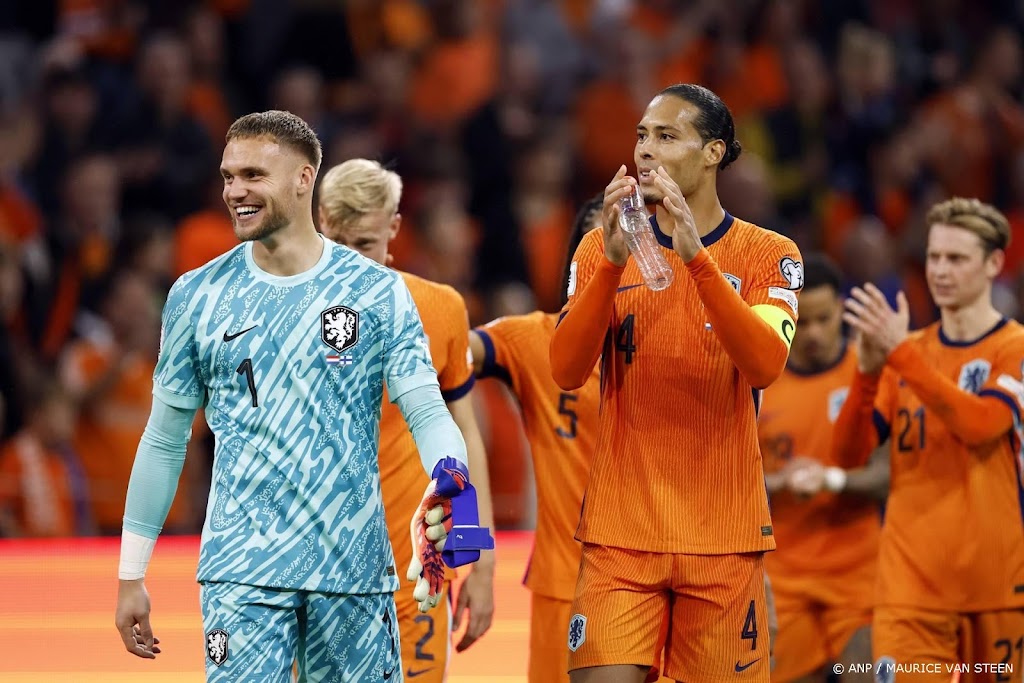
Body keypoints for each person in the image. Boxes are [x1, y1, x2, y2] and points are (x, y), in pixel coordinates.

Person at [113, 110, 480, 681]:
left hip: (352, 572)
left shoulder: (377, 291)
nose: (236, 190)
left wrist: (451, 481)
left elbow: (428, 410)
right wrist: (131, 574)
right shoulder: (196, 295)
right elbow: (164, 440)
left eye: (254, 175)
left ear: (305, 178)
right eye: (229, 175)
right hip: (242, 573)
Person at [550, 83, 803, 683]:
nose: (645, 150)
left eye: (666, 136)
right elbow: (565, 371)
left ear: (714, 152)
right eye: (641, 135)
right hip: (621, 533)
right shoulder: (598, 247)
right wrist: (612, 261)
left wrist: (698, 261)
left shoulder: (771, 254)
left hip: (725, 535)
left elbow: (765, 364)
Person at [316, 157, 496, 682]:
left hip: (415, 576)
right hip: (311, 579)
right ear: (320, 224)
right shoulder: (280, 313)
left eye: (366, 245)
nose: (353, 262)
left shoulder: (439, 309)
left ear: (394, 228)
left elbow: (465, 438)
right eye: (341, 244)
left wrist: (478, 560)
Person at [833, 196, 1024, 682]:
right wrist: (868, 374)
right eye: (934, 257)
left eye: (956, 259)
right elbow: (847, 455)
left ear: (994, 263)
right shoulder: (907, 354)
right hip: (910, 591)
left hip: (996, 587)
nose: (940, 270)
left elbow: (981, 425)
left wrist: (899, 354)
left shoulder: (1014, 347)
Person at [470, 194, 612, 683]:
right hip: (564, 583)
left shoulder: (673, 348)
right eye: (595, 241)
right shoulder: (534, 340)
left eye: (623, 241)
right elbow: (452, 350)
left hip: (657, 583)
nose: (609, 253)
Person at [757, 252, 888, 683]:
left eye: (824, 319)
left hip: (857, 573)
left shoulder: (869, 373)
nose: (812, 333)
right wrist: (778, 481)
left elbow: (889, 474)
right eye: (803, 321)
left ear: (842, 314)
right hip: (785, 575)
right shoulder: (760, 381)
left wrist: (831, 479)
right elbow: (727, 476)